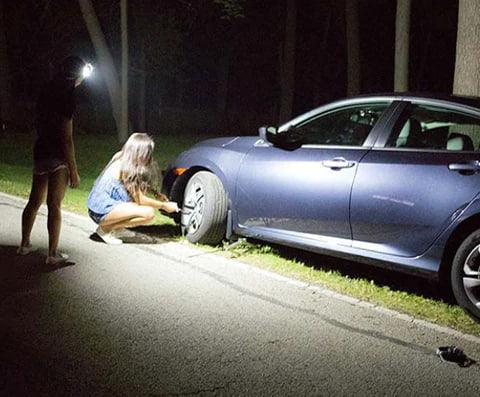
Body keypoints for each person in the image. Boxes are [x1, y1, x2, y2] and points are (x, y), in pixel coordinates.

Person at [18, 56, 88, 265]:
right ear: (76, 75)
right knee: (54, 205)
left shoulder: (46, 90)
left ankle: (24, 244)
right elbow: (66, 138)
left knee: (34, 201)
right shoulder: (68, 97)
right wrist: (73, 171)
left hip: (41, 149)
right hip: (58, 155)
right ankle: (52, 254)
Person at [87, 133, 179, 244]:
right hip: (101, 210)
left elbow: (134, 186)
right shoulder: (126, 168)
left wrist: (155, 193)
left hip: (97, 206)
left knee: (135, 204)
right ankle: (105, 229)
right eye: (147, 153)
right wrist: (165, 206)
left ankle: (117, 229)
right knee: (148, 213)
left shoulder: (121, 156)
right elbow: (141, 199)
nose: (148, 157)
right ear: (139, 152)